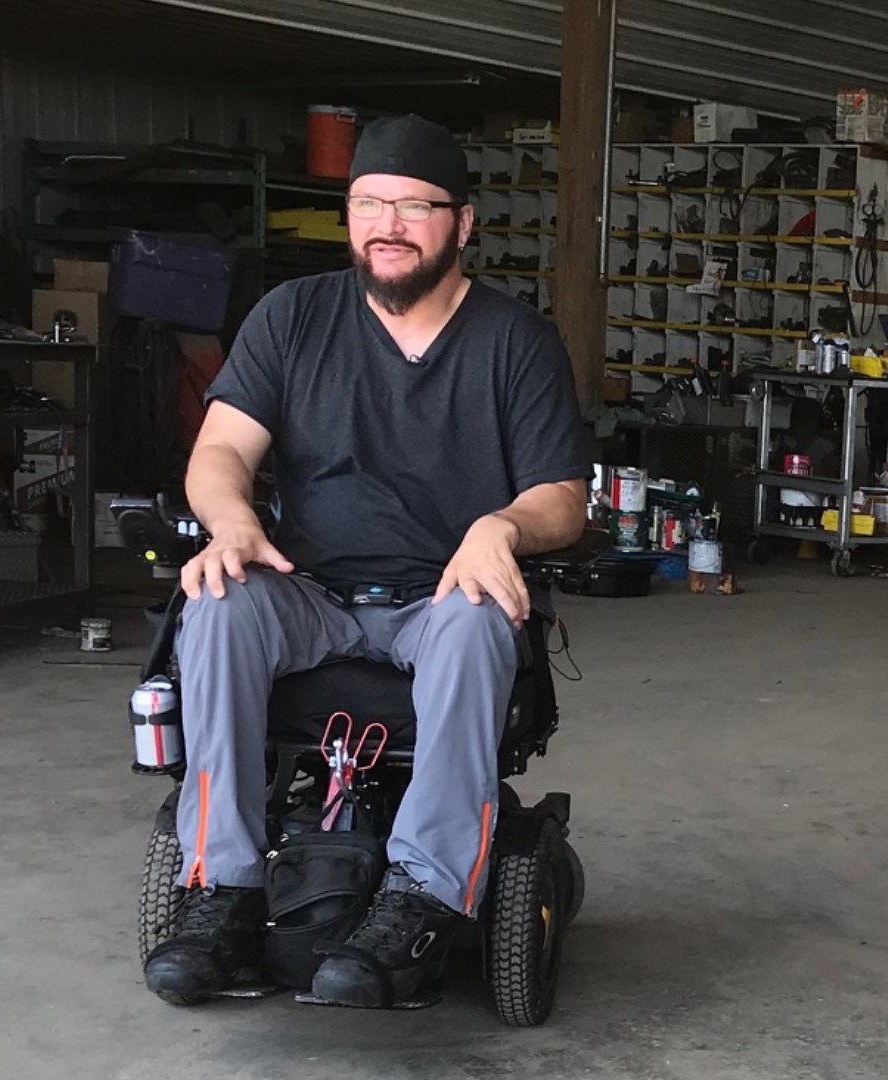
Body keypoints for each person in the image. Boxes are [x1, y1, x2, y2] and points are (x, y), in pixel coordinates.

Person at [141, 114, 591, 1009]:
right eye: (367, 204)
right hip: (310, 589)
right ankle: (217, 891)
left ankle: (420, 898)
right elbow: (221, 453)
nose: (388, 224)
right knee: (219, 602)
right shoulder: (294, 318)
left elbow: (562, 499)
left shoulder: (516, 342)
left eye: (414, 206)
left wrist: (499, 527)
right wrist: (229, 522)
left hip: (440, 597)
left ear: (462, 224)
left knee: (476, 616)